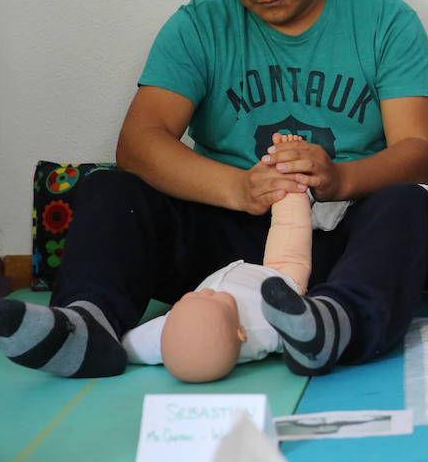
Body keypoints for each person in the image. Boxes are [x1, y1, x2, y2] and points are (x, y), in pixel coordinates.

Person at [0, 0, 428, 378]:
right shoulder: (197, 25)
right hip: (224, 242)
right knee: (110, 188)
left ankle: (335, 324)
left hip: (337, 239)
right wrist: (239, 188)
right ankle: (87, 326)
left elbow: (421, 152)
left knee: (408, 204)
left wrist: (339, 177)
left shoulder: (386, 21)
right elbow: (139, 142)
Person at [123, 133, 312, 383]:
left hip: (211, 250)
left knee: (110, 185)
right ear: (241, 333)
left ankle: (84, 323)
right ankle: (289, 172)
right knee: (291, 223)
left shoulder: (169, 335)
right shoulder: (265, 327)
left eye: (190, 300)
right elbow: (305, 335)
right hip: (279, 277)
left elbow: (132, 345)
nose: (205, 294)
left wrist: (117, 347)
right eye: (215, 302)